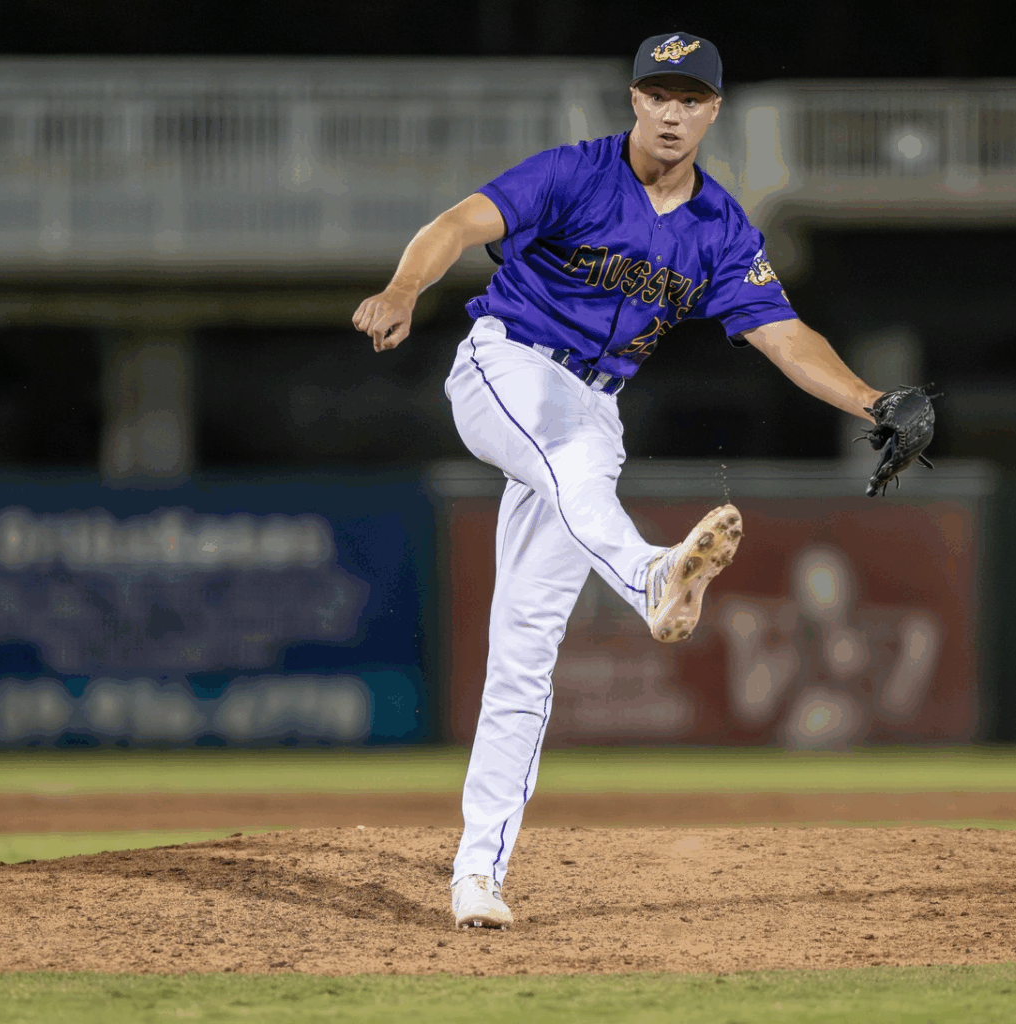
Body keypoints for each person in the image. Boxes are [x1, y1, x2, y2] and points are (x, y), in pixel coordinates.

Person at [352, 31, 888, 929]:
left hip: (596, 412)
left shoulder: (721, 227)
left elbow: (783, 335)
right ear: (634, 100)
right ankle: (649, 576)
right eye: (658, 93)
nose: (672, 112)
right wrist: (406, 288)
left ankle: (477, 875)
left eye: (691, 97)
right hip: (507, 366)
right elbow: (456, 224)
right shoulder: (575, 173)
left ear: (715, 110)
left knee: (526, 652)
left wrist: (874, 403)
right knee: (570, 469)